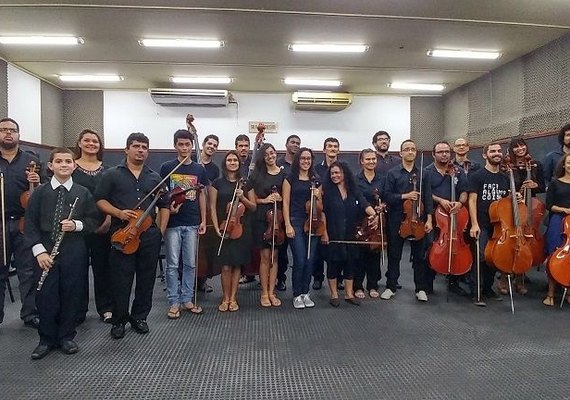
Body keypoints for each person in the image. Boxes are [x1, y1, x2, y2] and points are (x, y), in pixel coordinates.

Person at [25, 147, 99, 359]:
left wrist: (76, 225)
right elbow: (30, 224)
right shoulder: (39, 192)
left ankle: (66, 336)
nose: (64, 165)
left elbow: (93, 221)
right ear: (50, 166)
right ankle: (46, 339)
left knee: (71, 293)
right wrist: (39, 252)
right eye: (59, 161)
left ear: (74, 165)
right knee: (45, 296)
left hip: (73, 250)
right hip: (46, 250)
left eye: (68, 161)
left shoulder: (83, 193)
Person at [95, 132, 169, 339]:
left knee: (146, 278)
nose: (140, 150)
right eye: (136, 146)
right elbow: (100, 200)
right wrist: (118, 213)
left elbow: (164, 206)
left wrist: (160, 231)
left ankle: (139, 317)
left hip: (149, 236)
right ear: (126, 149)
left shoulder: (154, 177)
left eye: (144, 147)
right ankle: (119, 319)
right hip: (122, 234)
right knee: (121, 279)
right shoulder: (111, 174)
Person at [160, 130, 208, 319]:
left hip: (192, 221)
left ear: (191, 146)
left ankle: (187, 299)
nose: (184, 148)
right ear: (175, 146)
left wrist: (203, 220)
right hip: (173, 222)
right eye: (180, 144)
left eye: (187, 144)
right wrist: (168, 211)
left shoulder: (199, 169)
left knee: (190, 264)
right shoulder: (166, 167)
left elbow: (201, 195)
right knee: (172, 264)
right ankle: (174, 301)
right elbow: (162, 195)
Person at [0, 117, 41, 328]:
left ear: (18, 134)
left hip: (24, 221)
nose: (8, 133)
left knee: (27, 271)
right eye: (4, 130)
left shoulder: (31, 160)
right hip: (0, 222)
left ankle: (29, 313)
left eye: (12, 130)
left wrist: (37, 182)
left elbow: (41, 193)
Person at [382, 140, 433, 302]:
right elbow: (387, 196)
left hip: (419, 219)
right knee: (394, 254)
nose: (410, 152)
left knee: (419, 256)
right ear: (401, 153)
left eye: (413, 149)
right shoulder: (393, 173)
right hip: (398, 218)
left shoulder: (424, 174)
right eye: (407, 149)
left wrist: (429, 218)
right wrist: (405, 196)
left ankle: (421, 288)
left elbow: (428, 198)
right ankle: (391, 286)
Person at [322, 161, 378, 307]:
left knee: (350, 263)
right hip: (333, 232)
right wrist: (324, 233)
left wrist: (375, 216)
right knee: (333, 264)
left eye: (337, 172)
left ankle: (348, 294)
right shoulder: (327, 191)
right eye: (332, 173)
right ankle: (334, 294)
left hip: (351, 232)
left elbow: (365, 204)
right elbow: (323, 213)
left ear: (344, 173)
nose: (335, 175)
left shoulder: (353, 190)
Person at [72, 129, 113, 324]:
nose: (91, 144)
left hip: (103, 225)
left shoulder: (108, 170)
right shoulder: (70, 167)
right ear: (79, 143)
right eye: (86, 140)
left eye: (95, 141)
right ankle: (78, 310)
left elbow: (111, 197)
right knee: (77, 269)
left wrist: (108, 219)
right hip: (77, 226)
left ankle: (105, 307)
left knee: (102, 268)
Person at [496, 137, 546, 295]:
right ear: (512, 150)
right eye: (516, 147)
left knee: (523, 242)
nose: (519, 149)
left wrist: (535, 185)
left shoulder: (536, 165)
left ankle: (520, 279)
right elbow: (503, 185)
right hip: (512, 206)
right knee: (511, 240)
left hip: (529, 207)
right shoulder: (507, 166)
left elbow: (543, 186)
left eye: (522, 146)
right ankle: (503, 277)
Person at [209, 151, 256, 312]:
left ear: (239, 163)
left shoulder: (246, 183)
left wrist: (242, 197)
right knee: (225, 266)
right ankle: (225, 297)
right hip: (223, 228)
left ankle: (233, 298)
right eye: (229, 160)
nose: (232, 162)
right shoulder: (217, 183)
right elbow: (212, 208)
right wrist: (216, 227)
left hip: (241, 229)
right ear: (225, 163)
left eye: (235, 160)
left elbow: (253, 207)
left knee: (236, 265)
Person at [467, 142, 510, 306]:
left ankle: (488, 289)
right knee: (480, 257)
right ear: (485, 155)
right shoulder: (477, 176)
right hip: (482, 223)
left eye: (499, 151)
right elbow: (472, 201)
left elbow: (506, 201)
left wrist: (516, 199)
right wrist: (474, 224)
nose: (497, 153)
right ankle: (475, 291)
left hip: (499, 226)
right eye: (492, 151)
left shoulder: (505, 178)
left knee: (494, 258)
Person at [424, 141, 469, 296]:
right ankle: (428, 283)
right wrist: (441, 201)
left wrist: (460, 202)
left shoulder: (458, 171)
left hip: (455, 214)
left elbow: (464, 191)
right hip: (436, 213)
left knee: (456, 247)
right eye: (440, 152)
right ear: (433, 154)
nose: (444, 154)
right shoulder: (427, 172)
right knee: (431, 246)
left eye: (446, 152)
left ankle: (454, 281)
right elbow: (426, 194)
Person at [246, 143, 285, 307]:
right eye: (267, 154)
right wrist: (265, 200)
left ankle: (272, 291)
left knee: (275, 257)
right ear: (263, 157)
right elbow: (252, 199)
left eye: (272, 153)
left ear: (276, 153)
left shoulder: (283, 174)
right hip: (261, 218)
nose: (270, 156)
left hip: (278, 219)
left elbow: (287, 196)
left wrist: (280, 198)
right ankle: (263, 293)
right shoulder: (255, 175)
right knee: (264, 257)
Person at [282, 147, 321, 309]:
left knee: (310, 260)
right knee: (299, 259)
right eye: (303, 158)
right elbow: (285, 203)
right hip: (296, 221)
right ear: (298, 160)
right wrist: (287, 225)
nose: (306, 161)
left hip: (313, 222)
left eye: (309, 158)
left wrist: (318, 197)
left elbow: (320, 206)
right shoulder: (289, 179)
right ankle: (297, 294)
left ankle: (306, 292)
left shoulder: (316, 179)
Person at [354, 148, 385, 299]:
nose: (371, 161)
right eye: (368, 159)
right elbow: (358, 198)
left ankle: (373, 285)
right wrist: (371, 213)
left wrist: (379, 213)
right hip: (361, 219)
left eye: (373, 159)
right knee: (360, 254)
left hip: (378, 220)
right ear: (361, 161)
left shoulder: (382, 179)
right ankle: (358, 286)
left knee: (374, 252)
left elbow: (385, 199)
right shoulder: (355, 179)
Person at [313, 137, 341, 290]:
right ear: (324, 150)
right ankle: (317, 277)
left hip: (337, 211)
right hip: (320, 210)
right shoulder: (316, 168)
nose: (332, 149)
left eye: (335, 146)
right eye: (329, 146)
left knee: (337, 246)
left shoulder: (343, 168)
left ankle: (339, 278)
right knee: (318, 247)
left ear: (338, 150)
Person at [543, 153, 570, 306]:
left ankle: (568, 291)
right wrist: (564, 210)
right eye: (569, 162)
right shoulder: (555, 183)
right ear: (564, 165)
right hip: (558, 219)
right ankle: (551, 294)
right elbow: (549, 205)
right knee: (555, 254)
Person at [276, 134, 301, 291]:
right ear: (286, 144)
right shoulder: (279, 164)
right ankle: (281, 278)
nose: (295, 145)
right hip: (279, 211)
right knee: (281, 250)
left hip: (298, 212)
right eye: (292, 142)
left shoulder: (302, 165)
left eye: (298, 143)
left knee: (299, 251)